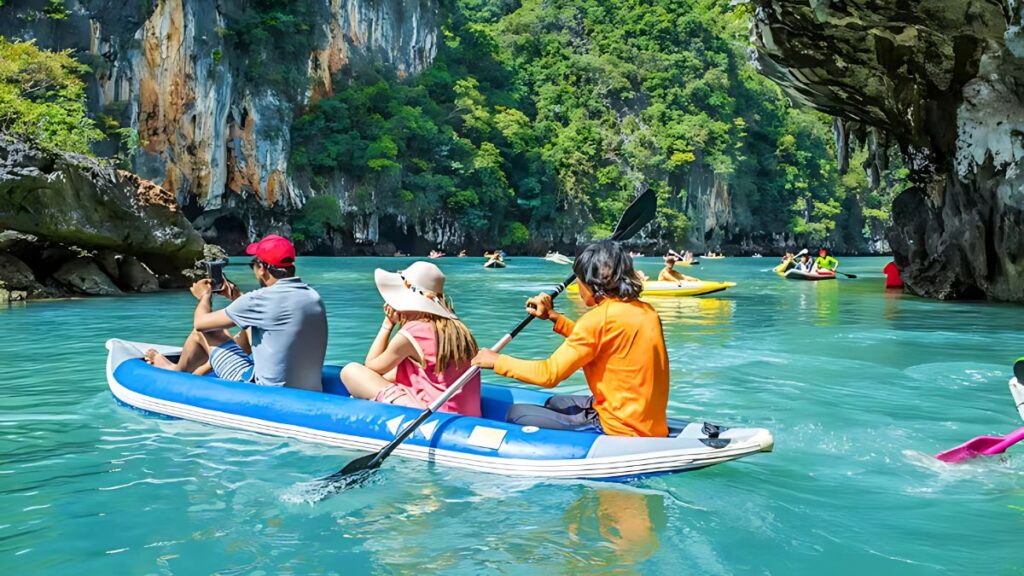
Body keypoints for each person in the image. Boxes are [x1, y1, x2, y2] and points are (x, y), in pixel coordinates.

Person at [471, 240, 669, 437]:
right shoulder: (647, 311)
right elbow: (600, 340)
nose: (578, 287)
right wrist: (553, 316)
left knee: (517, 414)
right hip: (645, 418)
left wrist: (496, 361)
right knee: (555, 402)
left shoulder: (597, 319)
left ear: (593, 284)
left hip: (621, 428)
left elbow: (549, 375)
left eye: (579, 281)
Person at [144, 235, 328, 392]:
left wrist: (204, 296)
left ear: (262, 268)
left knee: (205, 333)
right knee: (241, 333)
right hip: (309, 389)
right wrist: (237, 297)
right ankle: (196, 374)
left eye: (253, 264)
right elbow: (271, 318)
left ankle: (176, 373)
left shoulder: (260, 299)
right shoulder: (312, 296)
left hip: (264, 390)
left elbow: (201, 323)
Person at [340, 261, 482, 416]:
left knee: (350, 371)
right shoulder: (458, 328)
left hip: (432, 414)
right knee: (394, 372)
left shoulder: (414, 331)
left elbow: (371, 365)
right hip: (465, 413)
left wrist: (388, 324)